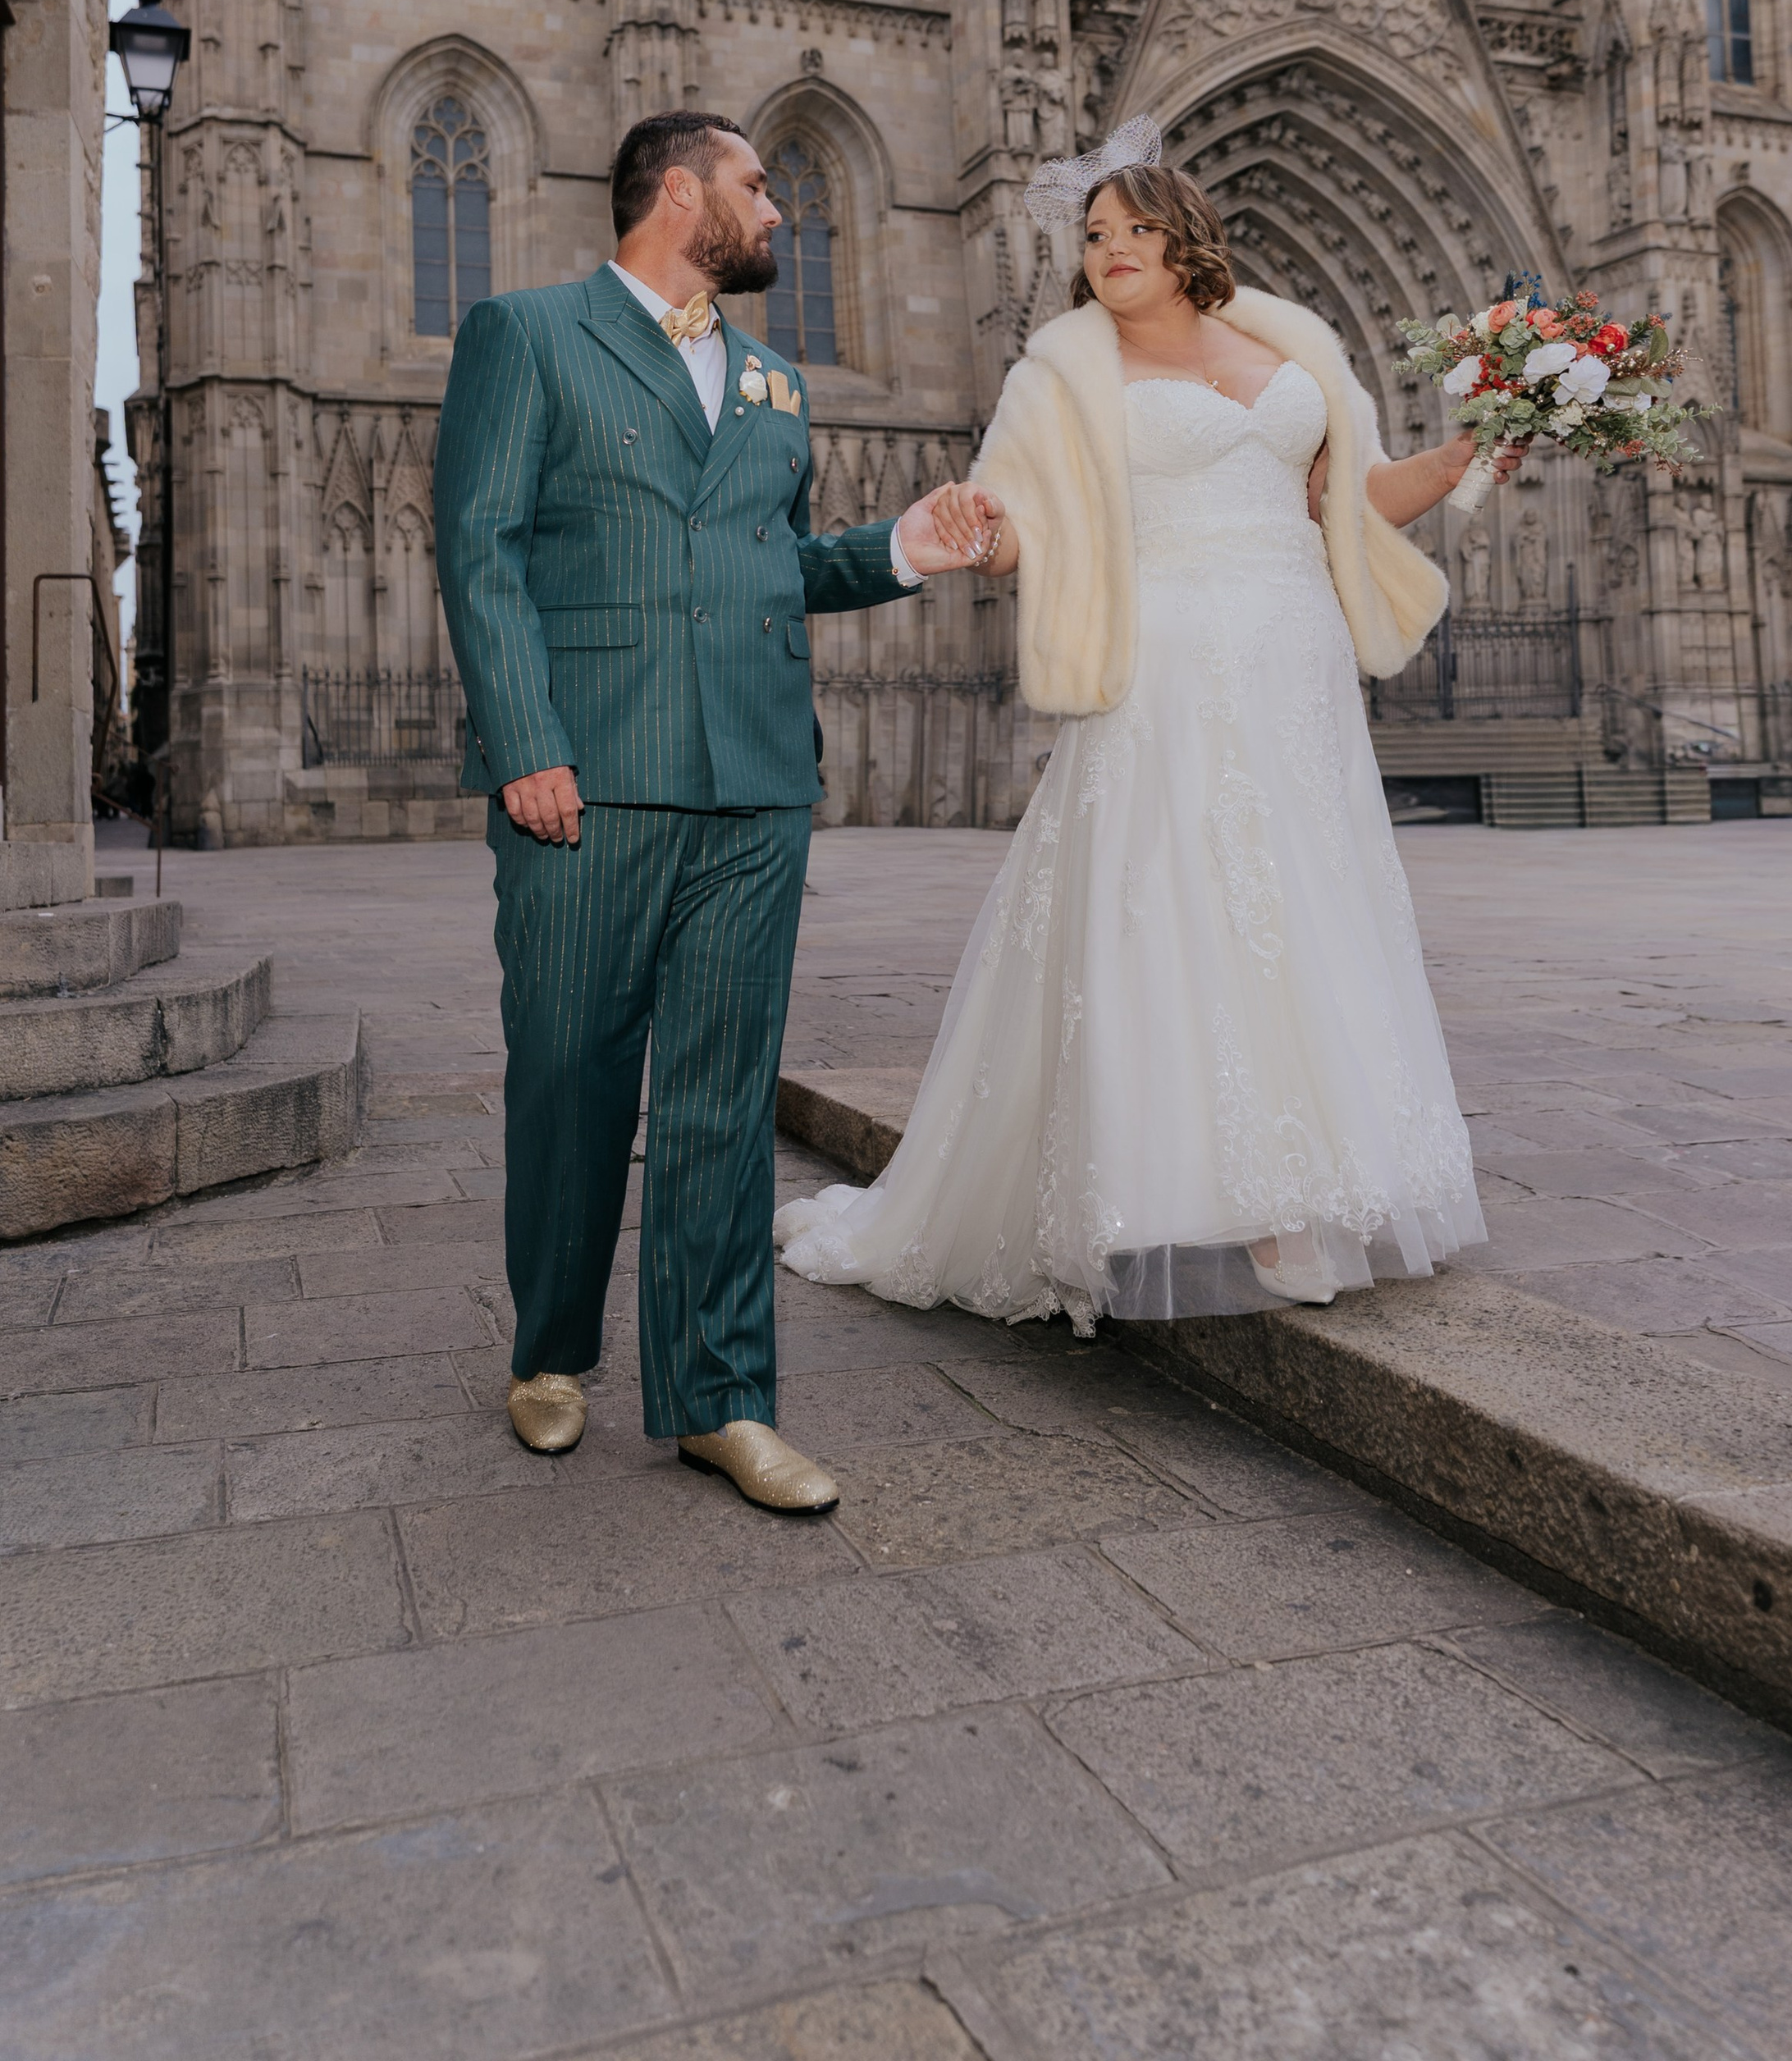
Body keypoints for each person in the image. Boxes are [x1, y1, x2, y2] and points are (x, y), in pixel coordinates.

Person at [777, 120, 1518, 1331]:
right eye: (1093, 235)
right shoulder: (1061, 374)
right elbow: (1021, 521)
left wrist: (1470, 453)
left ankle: (1302, 1181)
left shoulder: (1292, 344)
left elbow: (1352, 495)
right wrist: (977, 531)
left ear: (1185, 242)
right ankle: (1224, 1194)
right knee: (1181, 902)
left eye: (1132, 229)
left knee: (1302, 904)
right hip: (1166, 656)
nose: (1109, 248)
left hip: (1295, 659)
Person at [434, 112, 977, 1512]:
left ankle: (719, 1398)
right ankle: (552, 1351)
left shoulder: (775, 384)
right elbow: (481, 551)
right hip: (584, 785)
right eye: (752, 186)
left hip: (754, 784)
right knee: (570, 1077)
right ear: (678, 193)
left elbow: (768, 564)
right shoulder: (528, 332)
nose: (776, 211)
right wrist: (526, 744)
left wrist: (900, 551)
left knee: (723, 1103)